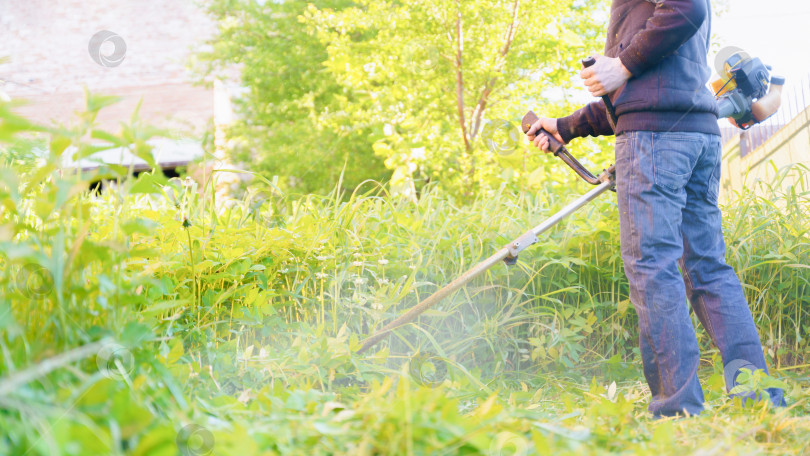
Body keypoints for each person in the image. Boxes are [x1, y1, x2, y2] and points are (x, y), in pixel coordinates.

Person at [526, 0, 785, 417]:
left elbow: (688, 7)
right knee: (708, 269)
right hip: (692, 133)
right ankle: (760, 398)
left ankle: (678, 410)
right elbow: (645, 95)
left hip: (655, 140)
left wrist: (622, 64)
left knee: (654, 269)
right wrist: (568, 126)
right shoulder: (646, 19)